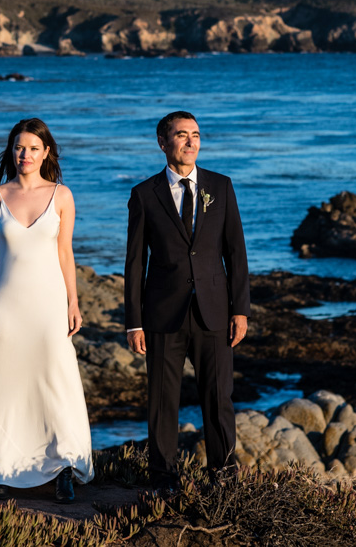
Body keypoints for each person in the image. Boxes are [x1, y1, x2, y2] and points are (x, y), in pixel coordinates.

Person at [0, 117, 95, 502]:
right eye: (19, 147)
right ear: (11, 151)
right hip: (7, 304)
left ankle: (64, 465)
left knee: (56, 381)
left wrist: (74, 301)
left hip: (50, 305)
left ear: (46, 152)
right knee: (7, 385)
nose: (25, 154)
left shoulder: (62, 196)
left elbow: (65, 253)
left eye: (34, 148)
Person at [123, 110, 251, 492]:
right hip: (163, 314)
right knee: (163, 402)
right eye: (181, 135)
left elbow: (236, 253)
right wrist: (134, 321)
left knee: (218, 399)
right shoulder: (145, 195)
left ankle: (224, 480)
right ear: (163, 143)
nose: (191, 141)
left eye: (195, 134)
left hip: (215, 312)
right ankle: (163, 480)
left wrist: (240, 310)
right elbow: (134, 263)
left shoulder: (221, 186)